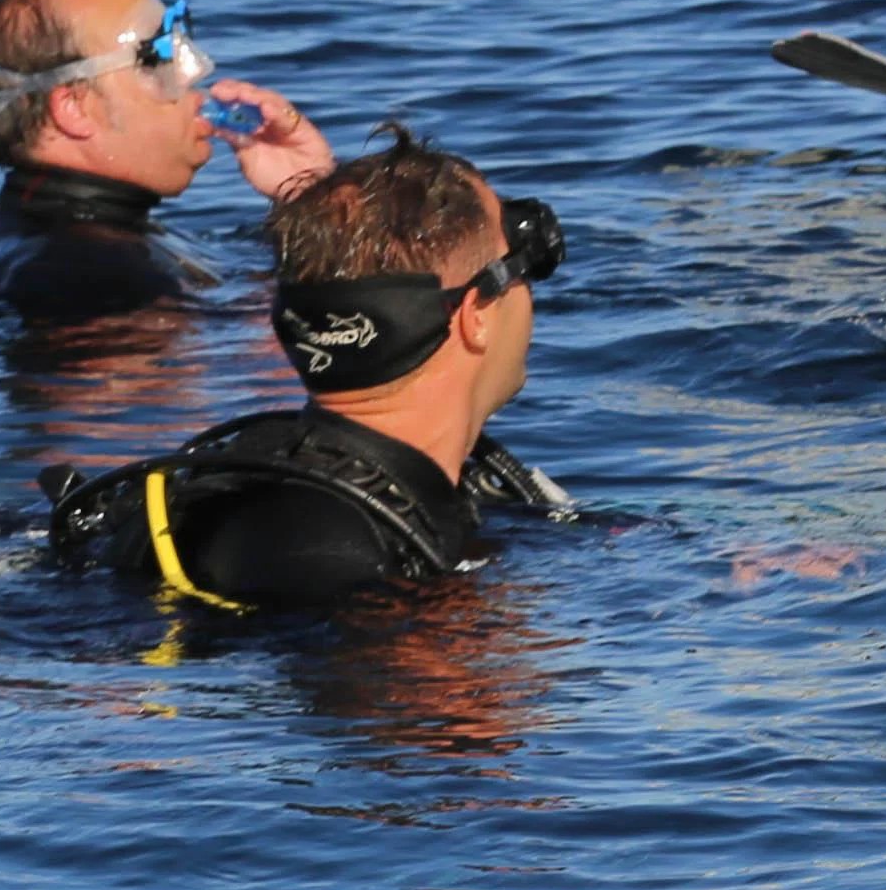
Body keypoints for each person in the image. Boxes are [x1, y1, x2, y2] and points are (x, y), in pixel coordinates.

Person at [49, 135, 575, 613]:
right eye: (523, 267)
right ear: (475, 316)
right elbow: (386, 702)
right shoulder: (324, 550)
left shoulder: (299, 487)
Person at [0, 0, 333, 327]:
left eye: (181, 41)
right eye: (156, 57)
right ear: (75, 108)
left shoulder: (103, 247)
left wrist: (308, 195)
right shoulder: (87, 278)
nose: (198, 69)